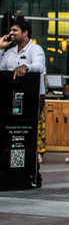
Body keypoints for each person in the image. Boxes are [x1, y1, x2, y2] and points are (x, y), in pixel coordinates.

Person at [0, 20, 46, 187]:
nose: (11, 33)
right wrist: (0, 48)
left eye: (15, 30)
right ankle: (12, 172)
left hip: (33, 99)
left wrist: (26, 66)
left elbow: (39, 66)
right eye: (10, 31)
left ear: (25, 33)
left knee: (28, 135)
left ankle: (34, 175)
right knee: (10, 135)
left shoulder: (35, 49)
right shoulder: (10, 52)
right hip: (11, 99)